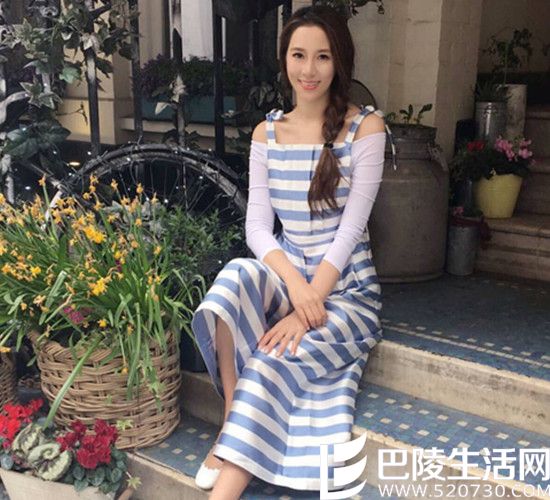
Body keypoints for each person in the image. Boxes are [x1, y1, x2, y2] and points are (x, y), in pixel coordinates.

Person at [191, 5, 388, 499]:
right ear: (284, 59)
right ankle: (232, 422)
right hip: (291, 281)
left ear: (339, 61)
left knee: (272, 358)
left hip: (345, 292)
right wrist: (296, 291)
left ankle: (229, 471)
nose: (309, 69)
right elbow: (258, 228)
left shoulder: (365, 128)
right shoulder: (268, 133)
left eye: (323, 56)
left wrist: (307, 308)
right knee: (234, 278)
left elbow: (351, 231)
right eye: (298, 55)